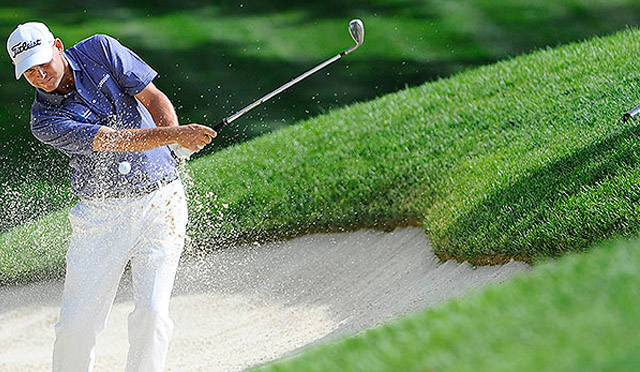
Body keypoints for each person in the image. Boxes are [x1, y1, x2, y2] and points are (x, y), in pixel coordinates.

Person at [7, 22, 216, 371]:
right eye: (29, 71)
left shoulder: (100, 49)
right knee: (77, 324)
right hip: (102, 217)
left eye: (43, 62)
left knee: (152, 314)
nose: (40, 74)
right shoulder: (44, 119)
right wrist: (176, 134)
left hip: (161, 204)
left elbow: (152, 97)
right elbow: (111, 141)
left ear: (58, 46)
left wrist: (176, 146)